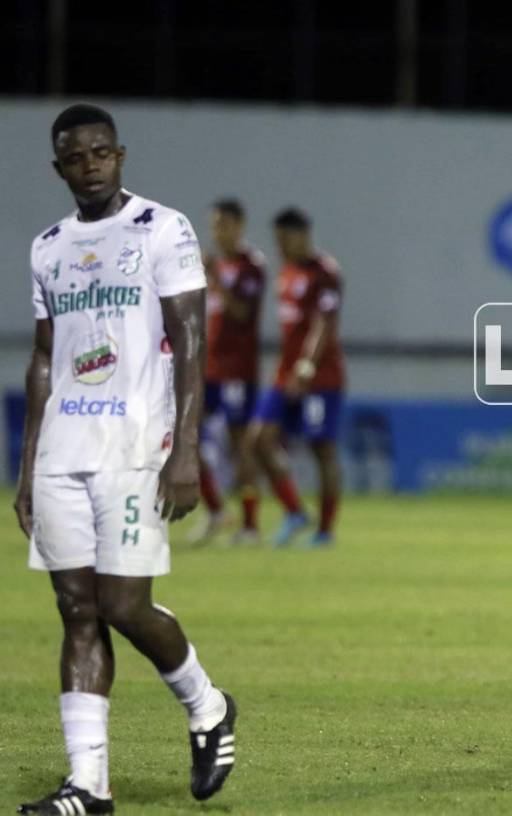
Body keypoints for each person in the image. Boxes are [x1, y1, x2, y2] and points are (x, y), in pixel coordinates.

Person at [14, 103, 237, 815]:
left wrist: (187, 449)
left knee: (121, 604)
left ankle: (207, 705)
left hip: (137, 444)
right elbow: (44, 360)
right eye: (76, 158)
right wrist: (24, 468)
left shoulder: (161, 229)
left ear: (121, 154)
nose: (91, 166)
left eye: (102, 153)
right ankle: (89, 785)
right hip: (61, 448)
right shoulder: (47, 246)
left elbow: (191, 340)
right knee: (75, 609)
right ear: (59, 168)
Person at [244, 208, 345, 547]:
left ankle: (326, 531)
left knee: (322, 448)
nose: (281, 246)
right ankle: (294, 511)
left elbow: (323, 325)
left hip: (319, 377)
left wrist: (306, 367)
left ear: (303, 235)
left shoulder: (325, 273)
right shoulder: (286, 273)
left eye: (285, 238)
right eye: (277, 240)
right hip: (284, 374)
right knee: (257, 439)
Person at [190, 198, 266, 544]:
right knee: (185, 436)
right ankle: (216, 509)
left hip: (238, 371)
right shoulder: (213, 266)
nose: (216, 232)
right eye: (214, 225)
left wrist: (216, 277)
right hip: (209, 369)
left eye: (223, 224)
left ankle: (250, 525)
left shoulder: (251, 266)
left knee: (240, 448)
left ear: (238, 226)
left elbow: (241, 315)